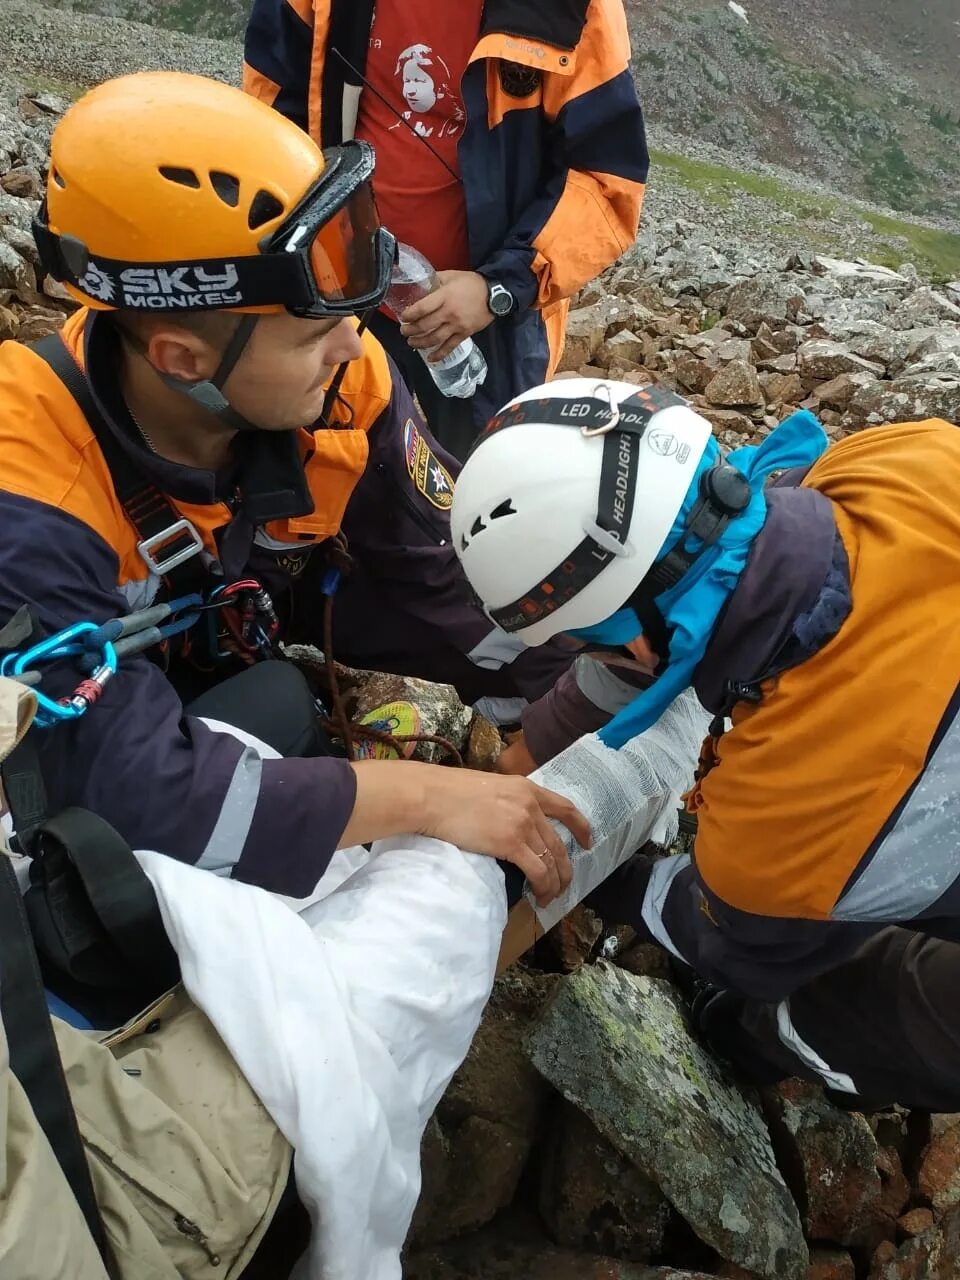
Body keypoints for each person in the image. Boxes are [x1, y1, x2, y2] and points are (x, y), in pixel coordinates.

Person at [0, 72, 590, 912]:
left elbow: (450, 577)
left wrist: (571, 703)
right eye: (316, 331)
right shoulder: (29, 494)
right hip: (113, 722)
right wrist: (428, 795)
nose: (356, 341)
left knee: (286, 693)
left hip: (218, 646)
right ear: (181, 359)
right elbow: (136, 794)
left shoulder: (343, 395)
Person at [449, 375, 960, 1110]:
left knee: (851, 1007)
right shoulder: (897, 458)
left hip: (841, 845)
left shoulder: (777, 831)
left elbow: (722, 934)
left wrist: (600, 874)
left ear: (630, 646)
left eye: (583, 645)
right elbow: (686, 594)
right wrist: (533, 749)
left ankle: (765, 1043)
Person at [243, 0, 648, 457]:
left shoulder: (574, 9)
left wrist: (498, 286)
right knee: (331, 459)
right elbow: (273, 115)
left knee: (487, 478)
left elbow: (606, 179)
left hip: (489, 318)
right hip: (339, 287)